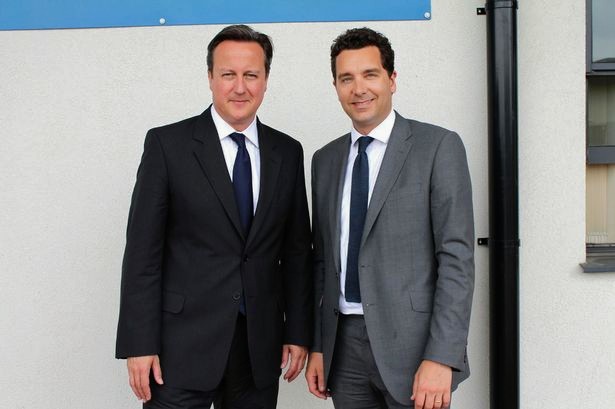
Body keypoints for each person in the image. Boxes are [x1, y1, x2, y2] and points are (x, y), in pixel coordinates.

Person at [115, 24, 312, 409]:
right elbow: (142, 254)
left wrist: (299, 332)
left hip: (258, 348)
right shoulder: (167, 146)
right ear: (210, 78)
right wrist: (139, 344)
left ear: (266, 80)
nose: (240, 87)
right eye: (228, 74)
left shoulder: (287, 152)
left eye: (251, 75)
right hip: (180, 349)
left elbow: (297, 252)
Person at [306, 27, 474, 409]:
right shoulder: (325, 160)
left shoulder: (438, 147)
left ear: (392, 80)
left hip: (415, 350)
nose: (358, 88)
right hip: (343, 348)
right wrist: (319, 345)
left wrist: (442, 356)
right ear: (335, 86)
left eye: (370, 74)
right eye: (346, 78)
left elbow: (456, 259)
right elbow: (322, 260)